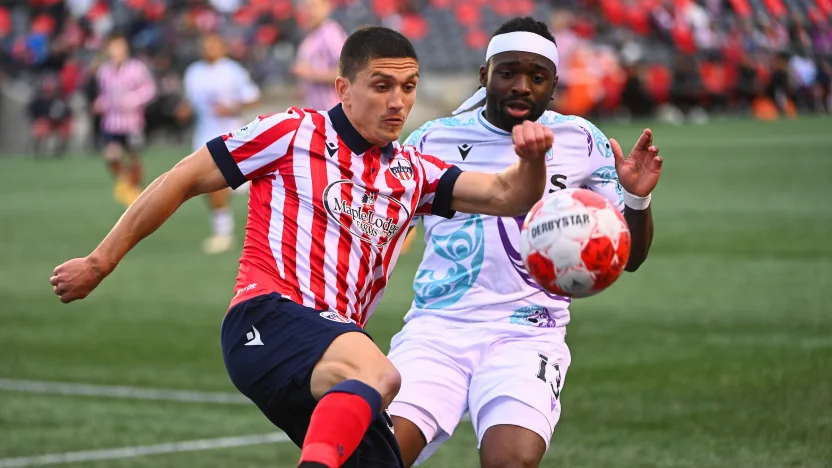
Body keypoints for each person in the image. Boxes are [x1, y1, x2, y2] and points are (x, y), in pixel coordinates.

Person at [50, 26, 554, 468]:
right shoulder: (292, 133)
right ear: (343, 89)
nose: (398, 101)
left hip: (330, 350)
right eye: (381, 86)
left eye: (408, 87)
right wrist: (100, 261)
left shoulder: (413, 172)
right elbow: (182, 178)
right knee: (379, 373)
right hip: (266, 317)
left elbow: (508, 195)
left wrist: (532, 158)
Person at [388, 17, 664, 468]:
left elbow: (630, 257)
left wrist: (636, 198)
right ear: (484, 76)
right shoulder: (431, 140)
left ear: (554, 85)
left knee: (511, 461)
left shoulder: (581, 140)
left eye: (537, 77)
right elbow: (386, 231)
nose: (521, 86)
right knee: (380, 455)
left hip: (529, 332)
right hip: (437, 329)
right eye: (508, 73)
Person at [183, 33, 261, 254]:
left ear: (222, 47)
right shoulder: (193, 72)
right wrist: (184, 110)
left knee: (245, 185)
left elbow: (253, 96)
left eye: (213, 45)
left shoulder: (233, 70)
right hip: (204, 134)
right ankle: (223, 231)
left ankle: (256, 229)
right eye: (205, 45)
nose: (209, 49)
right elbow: (191, 102)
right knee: (208, 184)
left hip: (232, 134)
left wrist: (232, 108)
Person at [93, 32, 157, 207]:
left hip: (132, 122)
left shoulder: (137, 68)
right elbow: (104, 94)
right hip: (111, 122)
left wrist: (134, 100)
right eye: (114, 47)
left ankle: (136, 191)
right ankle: (127, 185)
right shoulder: (104, 71)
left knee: (133, 159)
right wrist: (100, 103)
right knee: (111, 156)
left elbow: (150, 89)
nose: (117, 50)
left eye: (120, 46)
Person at [293, 0, 347, 111]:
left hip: (333, 111)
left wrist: (310, 74)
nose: (308, 11)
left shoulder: (330, 32)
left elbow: (347, 71)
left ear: (326, 7)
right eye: (305, 7)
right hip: (318, 112)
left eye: (312, 7)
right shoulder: (310, 35)